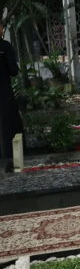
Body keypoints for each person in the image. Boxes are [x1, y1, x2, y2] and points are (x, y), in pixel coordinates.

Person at [0, 22, 23, 163]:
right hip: (3, 93)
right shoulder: (5, 46)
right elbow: (13, 70)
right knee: (7, 126)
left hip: (4, 92)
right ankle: (8, 156)